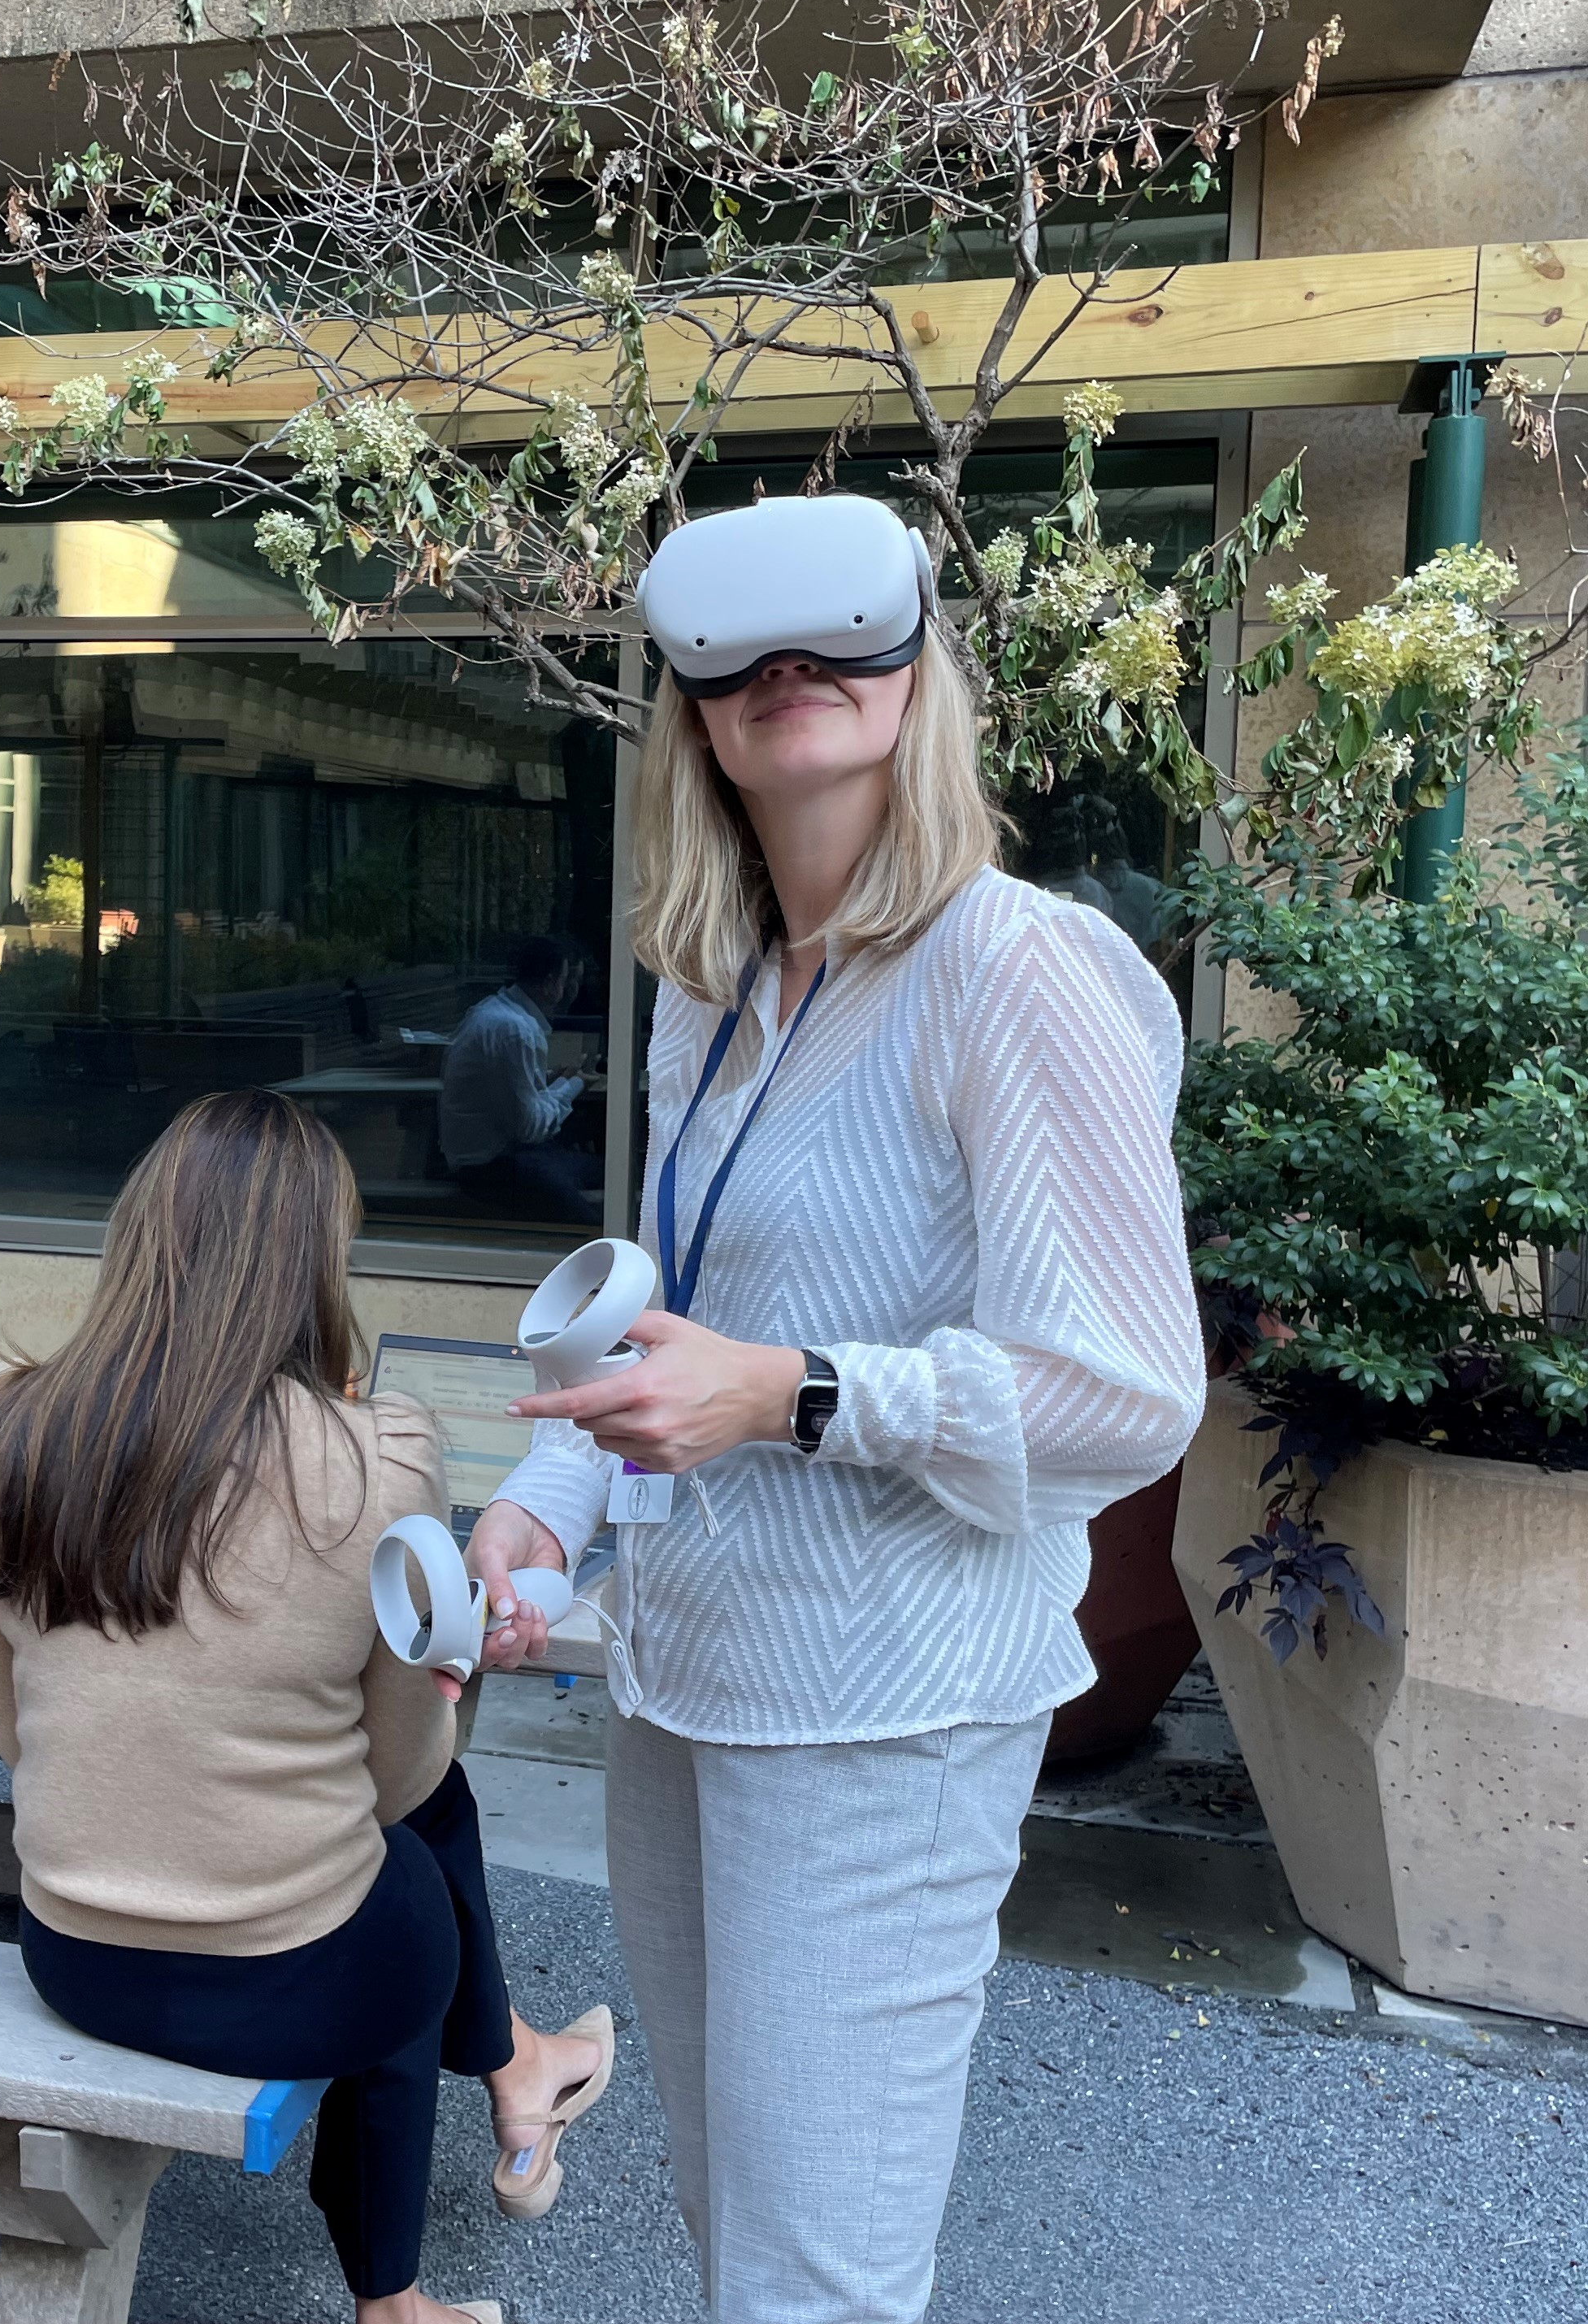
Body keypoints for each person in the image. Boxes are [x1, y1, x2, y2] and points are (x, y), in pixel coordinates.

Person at [467, 493, 1204, 2324]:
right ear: (698, 718)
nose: (789, 677)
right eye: (740, 657)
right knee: (736, 2226)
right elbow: (672, 1313)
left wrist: (797, 1397)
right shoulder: (710, 992)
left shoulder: (1014, 967)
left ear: (918, 674)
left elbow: (1131, 1390)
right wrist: (546, 1495)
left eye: (837, 643)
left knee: (817, 2274)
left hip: (887, 1712)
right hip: (685, 1680)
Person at [0, 1092, 614, 2324]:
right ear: (320, 1260)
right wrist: (450, 1669)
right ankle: (398, 2294)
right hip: (286, 1976)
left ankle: (523, 2068)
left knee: (391, 1866)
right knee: (411, 1879)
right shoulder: (379, 1456)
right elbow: (400, 1780)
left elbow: (6, 1724)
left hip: (70, 1954)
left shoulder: (4, 1427)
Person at [438, 933, 593, 1224]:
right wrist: (576, 1084)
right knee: (589, 1218)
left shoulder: (490, 1013)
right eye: (563, 980)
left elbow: (507, 1094)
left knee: (594, 1169)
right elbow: (528, 1127)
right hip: (489, 1168)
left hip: (484, 1159)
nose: (567, 989)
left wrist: (553, 1080)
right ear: (550, 984)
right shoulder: (515, 1031)